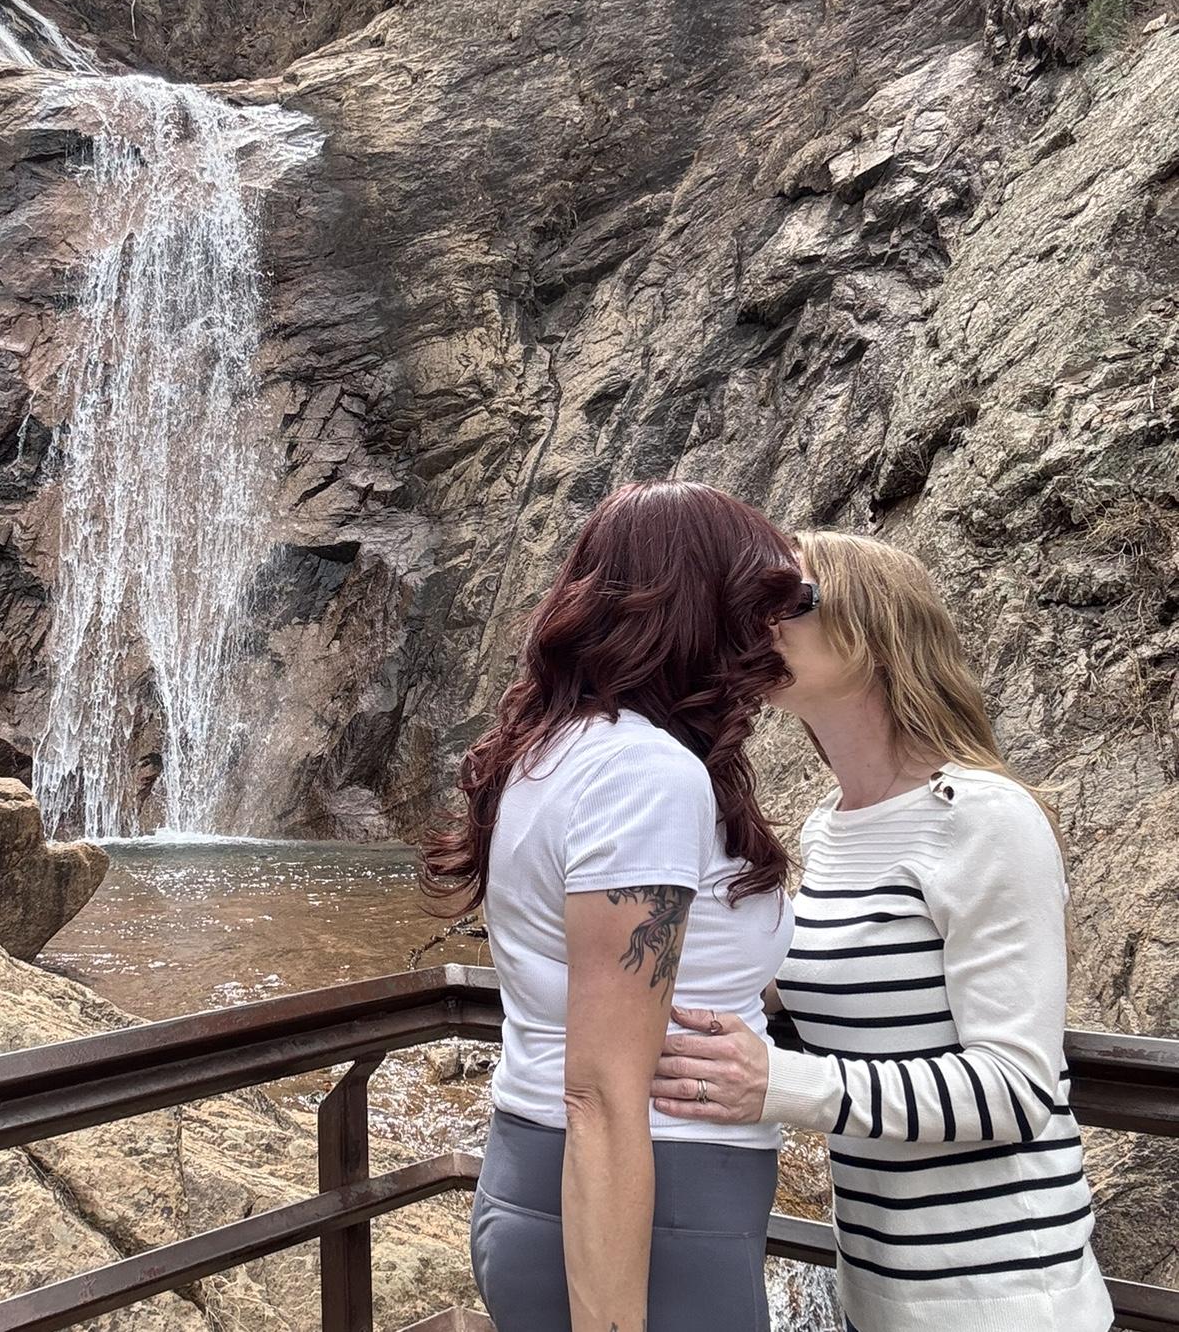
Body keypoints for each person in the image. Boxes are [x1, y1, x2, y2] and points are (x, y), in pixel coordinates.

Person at [649, 531, 1114, 1332]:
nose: (757, 623)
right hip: (875, 1292)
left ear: (874, 627)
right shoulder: (829, 827)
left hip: (1004, 1301)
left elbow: (1016, 1088)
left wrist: (778, 1084)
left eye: (787, 601)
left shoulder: (983, 817)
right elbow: (851, 994)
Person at [420, 479, 815, 1332]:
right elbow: (601, 1092)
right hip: (650, 1204)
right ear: (705, 607)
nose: (775, 628)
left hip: (557, 1179)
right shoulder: (644, 774)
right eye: (764, 601)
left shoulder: (550, 750)